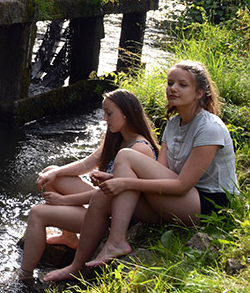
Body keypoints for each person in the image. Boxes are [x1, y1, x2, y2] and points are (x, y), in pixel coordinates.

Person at [43, 60, 240, 282]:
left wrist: (126, 182)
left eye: (182, 85)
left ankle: (117, 240)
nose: (173, 88)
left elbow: (182, 185)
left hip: (210, 205)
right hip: (179, 199)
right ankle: (77, 266)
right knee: (102, 195)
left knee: (126, 157)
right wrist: (116, 178)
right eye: (170, 83)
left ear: (199, 93)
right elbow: (160, 171)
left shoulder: (209, 127)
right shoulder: (174, 124)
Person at [18, 89, 159, 281]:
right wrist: (55, 172)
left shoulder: (139, 148)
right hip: (103, 204)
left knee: (37, 213)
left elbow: (108, 195)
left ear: (126, 113)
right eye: (104, 113)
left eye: (109, 113)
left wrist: (64, 200)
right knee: (52, 173)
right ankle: (68, 236)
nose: (104, 119)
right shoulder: (118, 139)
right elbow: (86, 164)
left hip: (112, 218)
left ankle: (24, 278)